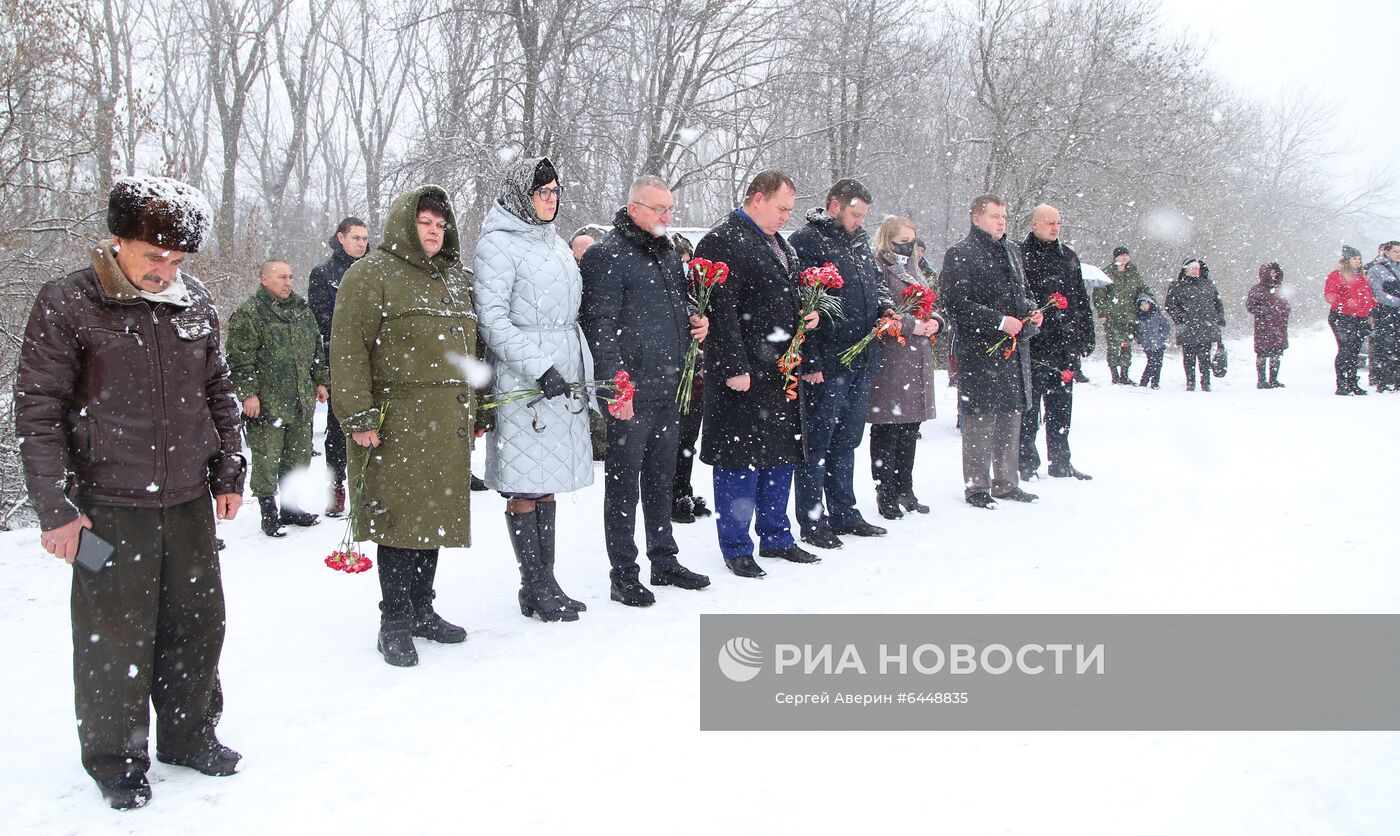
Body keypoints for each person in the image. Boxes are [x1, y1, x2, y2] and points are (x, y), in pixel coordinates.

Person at [15, 176, 246, 809]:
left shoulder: (193, 300)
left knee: (197, 626)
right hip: (107, 508)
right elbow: (38, 411)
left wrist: (229, 469)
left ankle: (189, 734)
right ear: (119, 241)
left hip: (188, 502)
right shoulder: (69, 302)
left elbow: (218, 390)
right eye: (154, 256)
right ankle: (116, 757)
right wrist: (57, 509)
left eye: (177, 259)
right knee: (113, 636)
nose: (165, 271)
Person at [332, 185, 479, 667]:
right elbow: (349, 348)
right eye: (425, 223)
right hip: (397, 423)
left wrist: (481, 408)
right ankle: (393, 620)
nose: (434, 232)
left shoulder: (457, 278)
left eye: (441, 224)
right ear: (404, 224)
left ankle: (421, 609)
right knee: (399, 523)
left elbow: (473, 350)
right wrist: (356, 414)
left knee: (432, 519)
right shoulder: (369, 275)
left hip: (447, 423)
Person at [474, 157, 598, 618]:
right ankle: (535, 584)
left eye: (554, 191)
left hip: (561, 376)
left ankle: (545, 583)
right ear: (519, 196)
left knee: (547, 482)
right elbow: (493, 319)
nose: (551, 200)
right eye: (541, 192)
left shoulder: (554, 243)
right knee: (524, 486)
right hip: (525, 378)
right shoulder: (497, 246)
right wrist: (540, 365)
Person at [580, 176, 712, 606]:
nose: (668, 217)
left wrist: (696, 320)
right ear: (634, 208)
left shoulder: (669, 255)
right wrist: (617, 386)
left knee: (660, 478)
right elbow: (599, 327)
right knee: (623, 485)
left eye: (670, 209)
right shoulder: (606, 256)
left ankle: (664, 558)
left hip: (668, 386)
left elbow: (675, 305)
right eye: (659, 209)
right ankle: (624, 572)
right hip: (629, 392)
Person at [697, 169, 821, 577]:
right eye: (782, 207)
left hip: (780, 370)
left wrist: (807, 319)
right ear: (757, 198)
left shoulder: (780, 244)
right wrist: (734, 366)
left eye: (790, 209)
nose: (788, 216)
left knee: (780, 455)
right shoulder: (723, 240)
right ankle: (736, 546)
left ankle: (777, 535)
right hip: (745, 371)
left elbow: (786, 299)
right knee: (740, 459)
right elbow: (720, 309)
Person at [789, 178, 891, 549]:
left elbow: (875, 284)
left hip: (861, 356)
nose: (860, 222)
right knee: (817, 441)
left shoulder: (860, 242)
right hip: (827, 360)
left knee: (847, 439)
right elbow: (804, 305)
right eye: (854, 214)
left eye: (864, 216)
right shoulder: (808, 241)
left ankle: (845, 511)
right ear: (834, 206)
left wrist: (886, 308)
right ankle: (813, 519)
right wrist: (811, 358)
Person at [941, 194, 1042, 509]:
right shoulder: (960, 253)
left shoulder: (1012, 251)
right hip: (979, 351)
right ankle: (977, 486)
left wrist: (1031, 312)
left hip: (1013, 350)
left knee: (1011, 416)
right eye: (995, 216)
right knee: (980, 418)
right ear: (976, 218)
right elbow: (955, 304)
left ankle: (1006, 481)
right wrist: (998, 322)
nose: (1001, 222)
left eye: (1004, 216)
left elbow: (1021, 294)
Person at [227, 259, 329, 536]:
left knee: (298, 457)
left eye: (291, 277)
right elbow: (239, 360)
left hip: (300, 400)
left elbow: (316, 348)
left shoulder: (301, 311)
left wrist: (321, 380)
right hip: (267, 404)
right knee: (267, 459)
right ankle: (268, 512)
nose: (288, 283)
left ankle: (292, 507)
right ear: (264, 279)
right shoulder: (249, 314)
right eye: (281, 277)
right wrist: (248, 394)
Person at [866, 216, 944, 519]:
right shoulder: (880, 267)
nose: (909, 246)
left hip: (917, 356)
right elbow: (883, 309)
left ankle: (905, 488)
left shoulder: (915, 267)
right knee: (888, 428)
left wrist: (935, 321)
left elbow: (930, 304)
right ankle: (885, 491)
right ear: (888, 239)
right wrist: (913, 325)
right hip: (893, 357)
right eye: (902, 241)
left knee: (911, 427)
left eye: (912, 240)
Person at [1018, 204, 1095, 481]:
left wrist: (1086, 334)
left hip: (1065, 344)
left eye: (1058, 222)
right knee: (1030, 410)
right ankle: (1026, 463)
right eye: (1049, 222)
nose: (1054, 227)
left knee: (1061, 407)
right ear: (1034, 224)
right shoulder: (1021, 255)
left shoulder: (1069, 257)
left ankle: (1061, 462)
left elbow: (1080, 300)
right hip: (1036, 343)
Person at [308, 216, 369, 516]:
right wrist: (351, 333)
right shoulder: (323, 273)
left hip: (374, 357)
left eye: (364, 238)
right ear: (341, 238)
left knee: (373, 423)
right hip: (339, 359)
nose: (361, 243)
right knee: (338, 427)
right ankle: (336, 486)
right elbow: (320, 318)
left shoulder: (375, 270)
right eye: (356, 237)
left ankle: (368, 486)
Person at [669, 232, 715, 524]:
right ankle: (671, 494)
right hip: (674, 371)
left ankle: (683, 489)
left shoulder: (695, 292)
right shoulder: (669, 292)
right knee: (674, 439)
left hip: (696, 373)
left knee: (688, 438)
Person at [1165, 257, 1225, 392]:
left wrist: (1219, 317)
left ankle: (1206, 383)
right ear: (1185, 270)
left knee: (1205, 356)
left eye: (1197, 268)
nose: (1195, 271)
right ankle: (1190, 382)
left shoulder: (1207, 284)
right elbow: (1170, 305)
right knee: (1189, 357)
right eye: (1192, 268)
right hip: (1187, 326)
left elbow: (1217, 303)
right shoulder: (1176, 286)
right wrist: (1180, 318)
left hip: (1206, 325)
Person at [1323, 245, 1377, 396]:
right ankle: (1341, 383)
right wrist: (1348, 303)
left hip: (1360, 318)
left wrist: (1370, 307)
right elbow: (1330, 296)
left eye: (1359, 259)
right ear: (1346, 260)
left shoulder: (1361, 277)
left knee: (1354, 351)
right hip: (1342, 317)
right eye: (1354, 258)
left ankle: (1352, 382)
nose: (1358, 262)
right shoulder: (1336, 275)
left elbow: (1367, 295)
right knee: (1345, 349)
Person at [1093, 246, 1151, 384]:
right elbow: (1099, 296)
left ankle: (1125, 374)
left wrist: (1146, 300)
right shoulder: (1107, 273)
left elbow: (1143, 289)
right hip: (1112, 315)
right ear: (1115, 257)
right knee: (1113, 344)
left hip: (1129, 315)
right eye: (1121, 255)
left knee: (1126, 345)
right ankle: (1115, 374)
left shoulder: (1133, 273)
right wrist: (1103, 312)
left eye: (1126, 255)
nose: (1124, 257)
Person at [1245, 262, 1290, 389]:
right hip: (1263, 326)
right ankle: (1261, 380)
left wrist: (1285, 310)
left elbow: (1285, 304)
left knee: (1276, 353)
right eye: (1271, 273)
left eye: (1275, 273)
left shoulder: (1280, 289)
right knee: (1262, 353)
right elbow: (1250, 306)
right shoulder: (1257, 289)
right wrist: (1265, 311)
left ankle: (1274, 379)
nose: (1273, 275)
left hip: (1279, 326)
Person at [1365, 241, 1400, 392]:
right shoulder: (1377, 270)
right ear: (1386, 252)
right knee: (1383, 346)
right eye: (1395, 251)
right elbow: (1377, 293)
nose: (1398, 254)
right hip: (1385, 313)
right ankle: (1382, 380)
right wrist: (1397, 302)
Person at [1132, 292, 1172, 389]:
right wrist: (1140, 339)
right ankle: (1144, 381)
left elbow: (1166, 326)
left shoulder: (1157, 315)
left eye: (1146, 304)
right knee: (1151, 362)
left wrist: (1162, 337)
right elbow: (1136, 331)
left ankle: (1155, 383)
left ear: (1150, 304)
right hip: (1147, 344)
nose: (1144, 307)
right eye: (1142, 305)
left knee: (1158, 364)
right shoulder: (1139, 317)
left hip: (1159, 343)